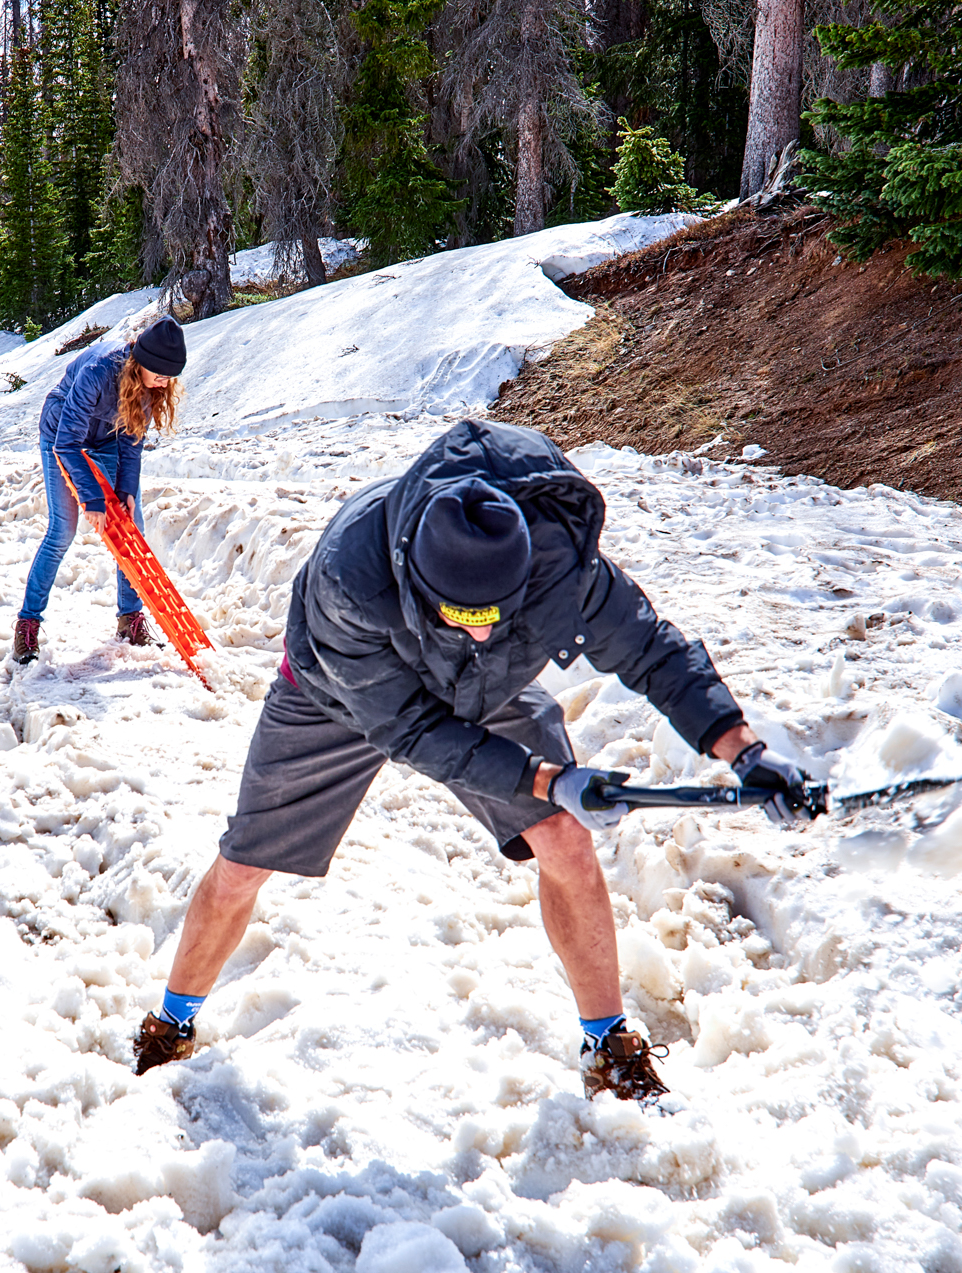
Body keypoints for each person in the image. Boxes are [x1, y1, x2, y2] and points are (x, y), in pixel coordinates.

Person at [129, 418, 808, 1103]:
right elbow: (412, 729)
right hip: (337, 695)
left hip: (487, 684)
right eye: (461, 611)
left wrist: (742, 747)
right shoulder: (351, 578)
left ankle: (608, 1044)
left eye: (496, 610)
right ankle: (171, 1024)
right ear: (420, 582)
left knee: (565, 840)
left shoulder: (555, 560)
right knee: (246, 862)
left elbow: (651, 649)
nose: (482, 624)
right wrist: (549, 778)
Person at [15, 317, 187, 664]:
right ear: (143, 361)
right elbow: (67, 444)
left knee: (131, 526)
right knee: (62, 530)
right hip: (61, 433)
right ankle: (27, 624)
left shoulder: (151, 388)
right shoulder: (99, 372)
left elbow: (132, 445)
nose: (164, 382)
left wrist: (125, 490)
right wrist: (92, 497)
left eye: (170, 376)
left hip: (107, 437)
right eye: (160, 373)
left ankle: (130, 619)